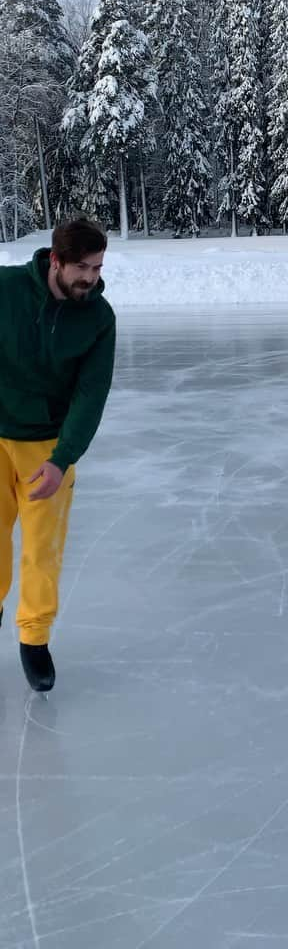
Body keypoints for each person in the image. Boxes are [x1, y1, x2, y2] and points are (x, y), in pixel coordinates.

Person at [0, 216, 116, 692]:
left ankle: (34, 638)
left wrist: (62, 457)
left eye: (98, 267)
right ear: (56, 261)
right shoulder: (7, 290)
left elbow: (92, 395)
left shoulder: (98, 318)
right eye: (83, 269)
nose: (91, 278)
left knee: (43, 549)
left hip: (47, 447)